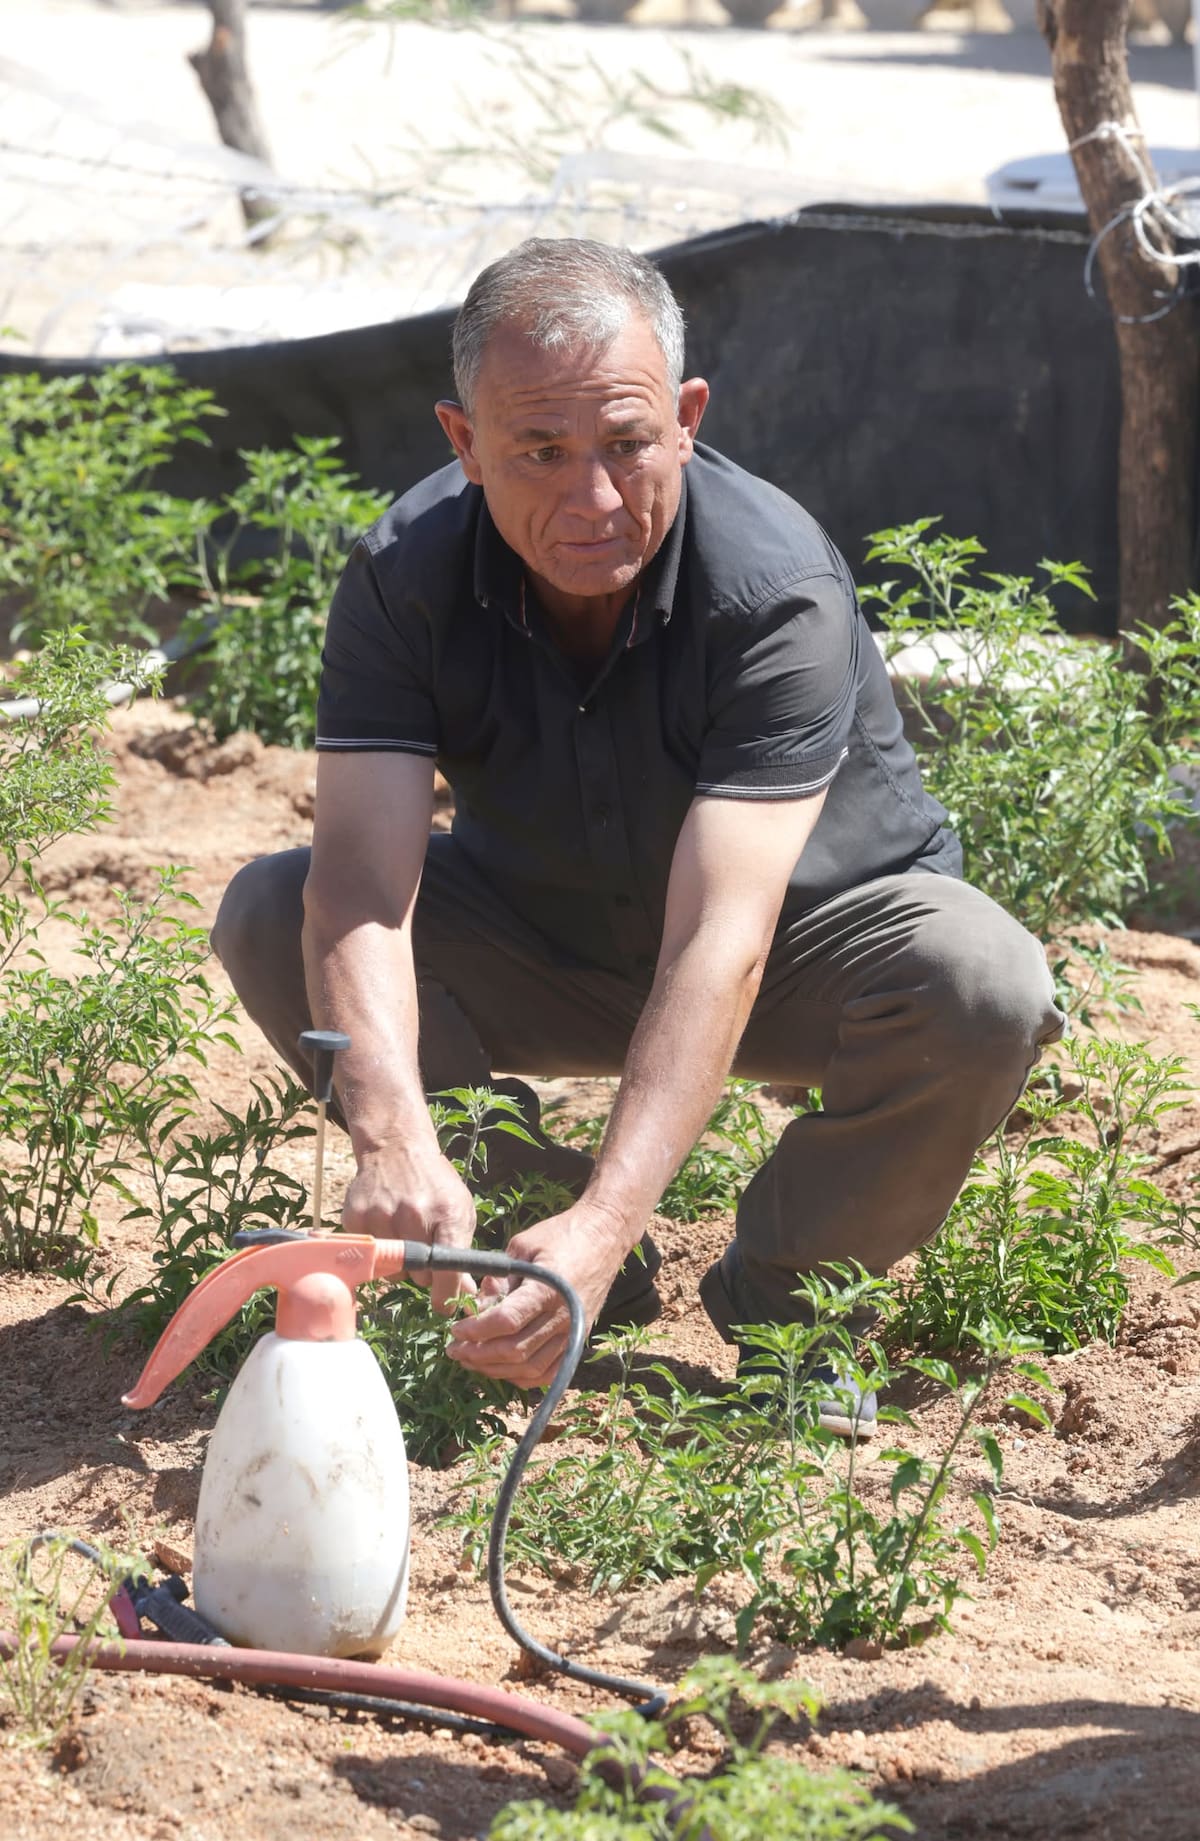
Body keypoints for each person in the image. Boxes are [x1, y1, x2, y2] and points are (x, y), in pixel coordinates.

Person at [212, 237, 1063, 1432]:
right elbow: (361, 884)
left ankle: (785, 1290)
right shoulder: (406, 577)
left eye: (627, 444)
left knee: (983, 982)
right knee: (272, 913)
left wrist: (616, 1214)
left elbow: (724, 936)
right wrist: (392, 1126)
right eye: (541, 453)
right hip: (549, 934)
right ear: (463, 444)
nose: (594, 498)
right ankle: (533, 1246)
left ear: (686, 417)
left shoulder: (771, 588)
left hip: (804, 953)